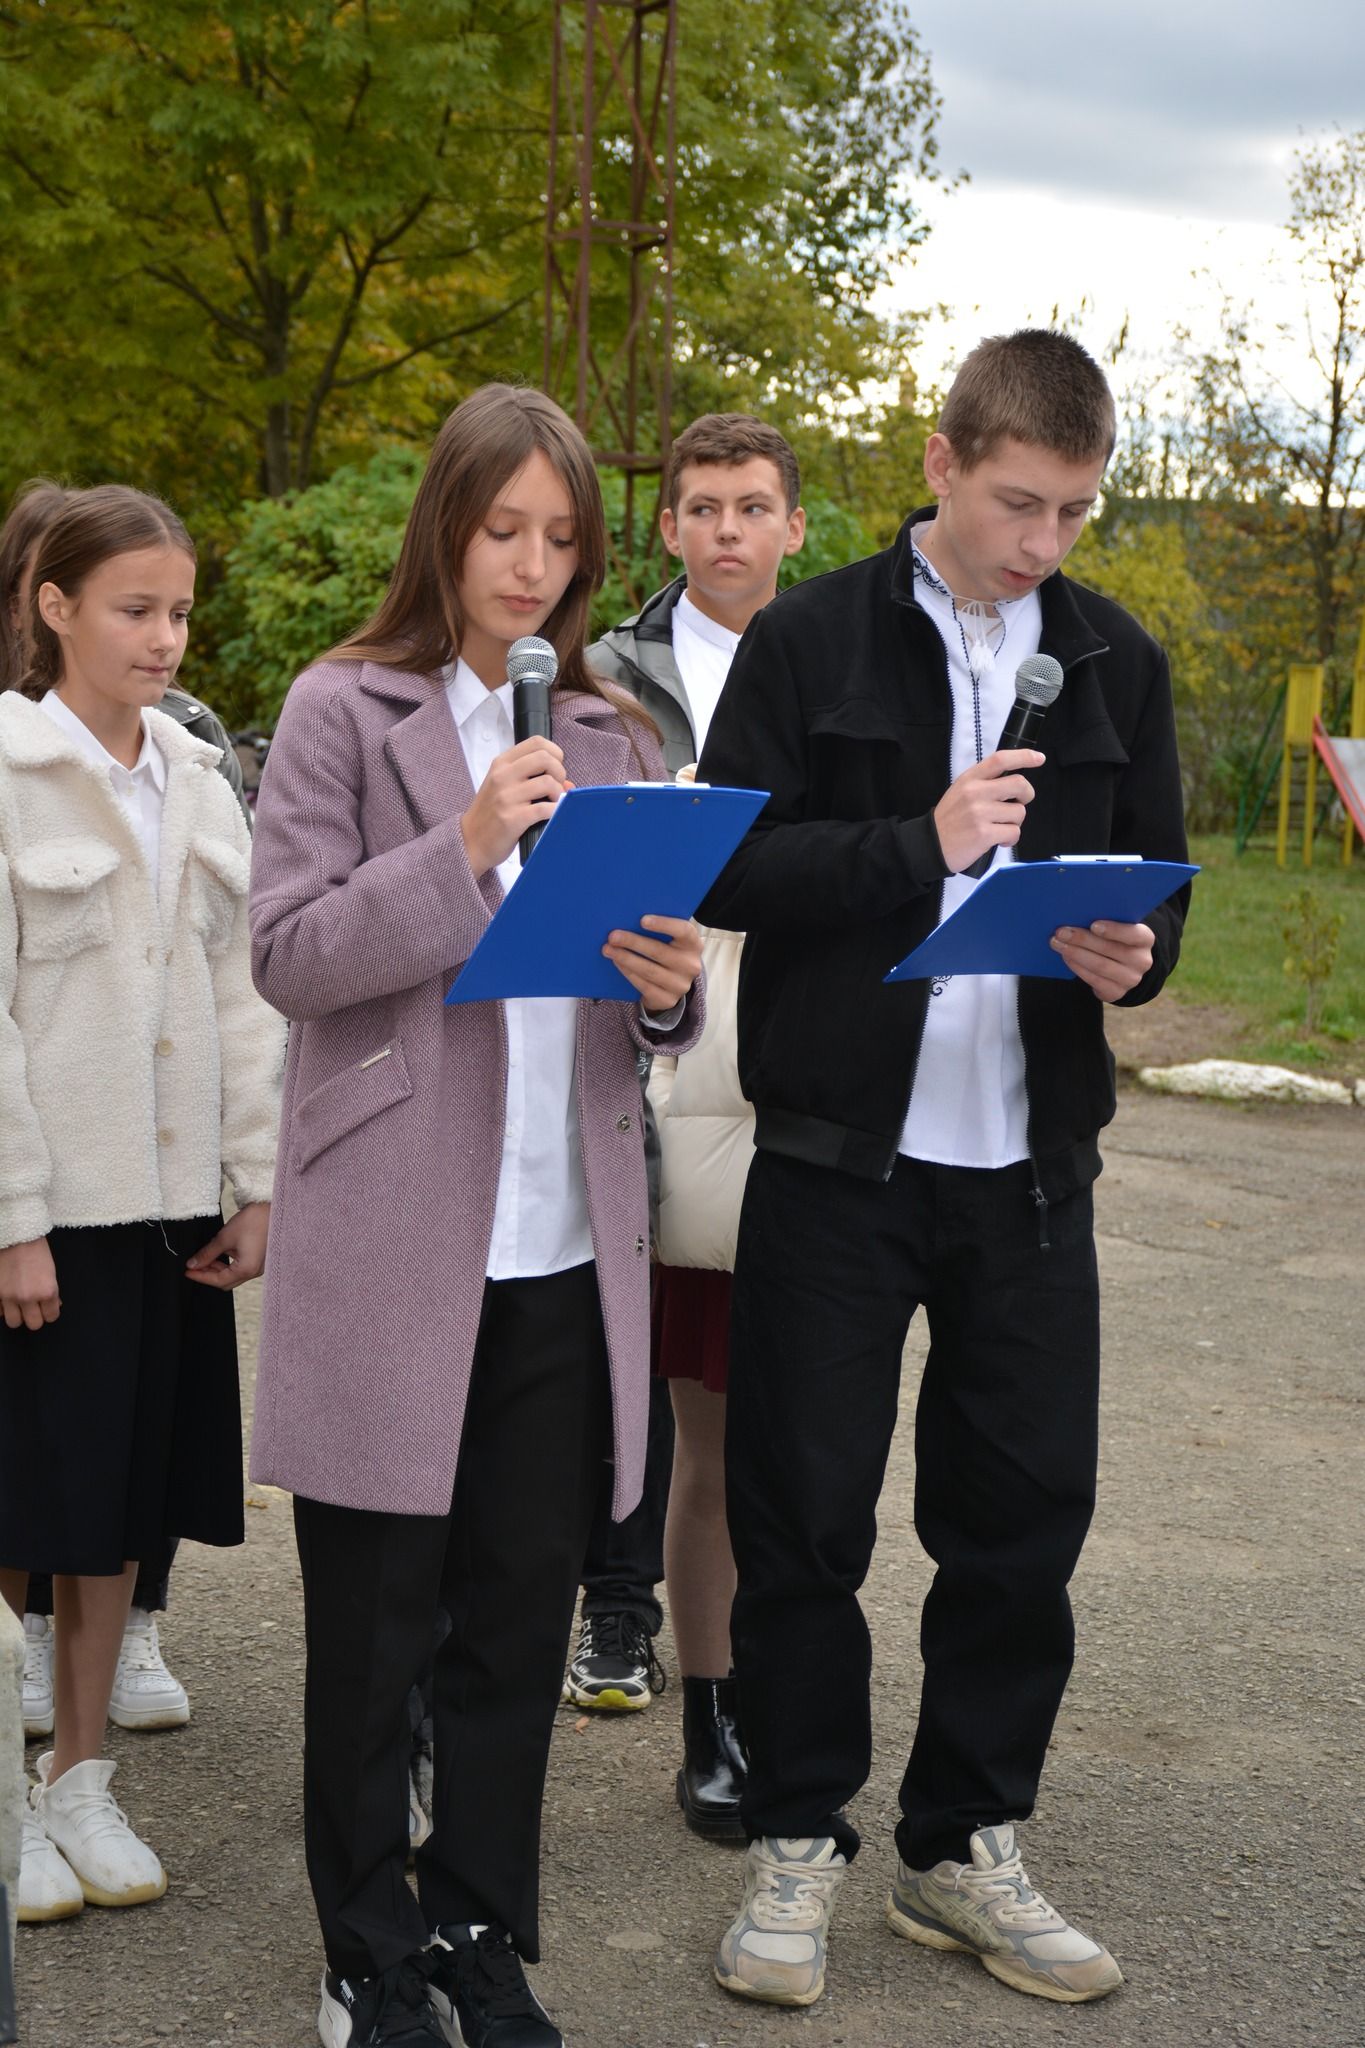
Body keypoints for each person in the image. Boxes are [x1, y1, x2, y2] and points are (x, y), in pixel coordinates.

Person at [697, 330, 1190, 2010]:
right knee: (803, 1518)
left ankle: (958, 1847)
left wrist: (1140, 955)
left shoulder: (1116, 657)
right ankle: (795, 1840)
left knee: (1020, 1523)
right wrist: (922, 846)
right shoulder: (811, 634)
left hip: (1031, 1170)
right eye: (1015, 502)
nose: (1042, 543)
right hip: (839, 1163)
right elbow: (733, 866)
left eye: (1071, 509)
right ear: (939, 461)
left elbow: (1163, 889)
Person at [247, 383, 704, 2048]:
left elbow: (648, 1019)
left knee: (513, 1628)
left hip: (564, 1254)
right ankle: (363, 1950)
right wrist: (457, 842)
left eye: (561, 538)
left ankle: (475, 1932)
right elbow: (292, 954)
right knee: (373, 1638)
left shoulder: (613, 737)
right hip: (393, 1244)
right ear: (443, 523)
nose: (530, 565)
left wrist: (664, 991)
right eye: (503, 527)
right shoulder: (337, 709)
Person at [0, 486, 284, 1925]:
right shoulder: (2, 773)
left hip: (170, 1216)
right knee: (21, 1505)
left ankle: (81, 1775)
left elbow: (242, 999)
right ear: (53, 607)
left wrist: (257, 1182)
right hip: (46, 1224)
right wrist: (13, 1217)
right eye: (133, 609)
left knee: (116, 1516)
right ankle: (4, 1788)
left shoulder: (197, 775)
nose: (165, 637)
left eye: (177, 610)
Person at [567, 416, 804, 1844]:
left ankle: (767, 1692)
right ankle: (683, 1689)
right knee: (646, 1403)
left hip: (800, 1062)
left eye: (751, 507)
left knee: (790, 1426)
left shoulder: (841, 658)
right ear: (668, 529)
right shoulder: (612, 682)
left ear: (790, 524)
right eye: (702, 508)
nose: (725, 530)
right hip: (651, 1059)